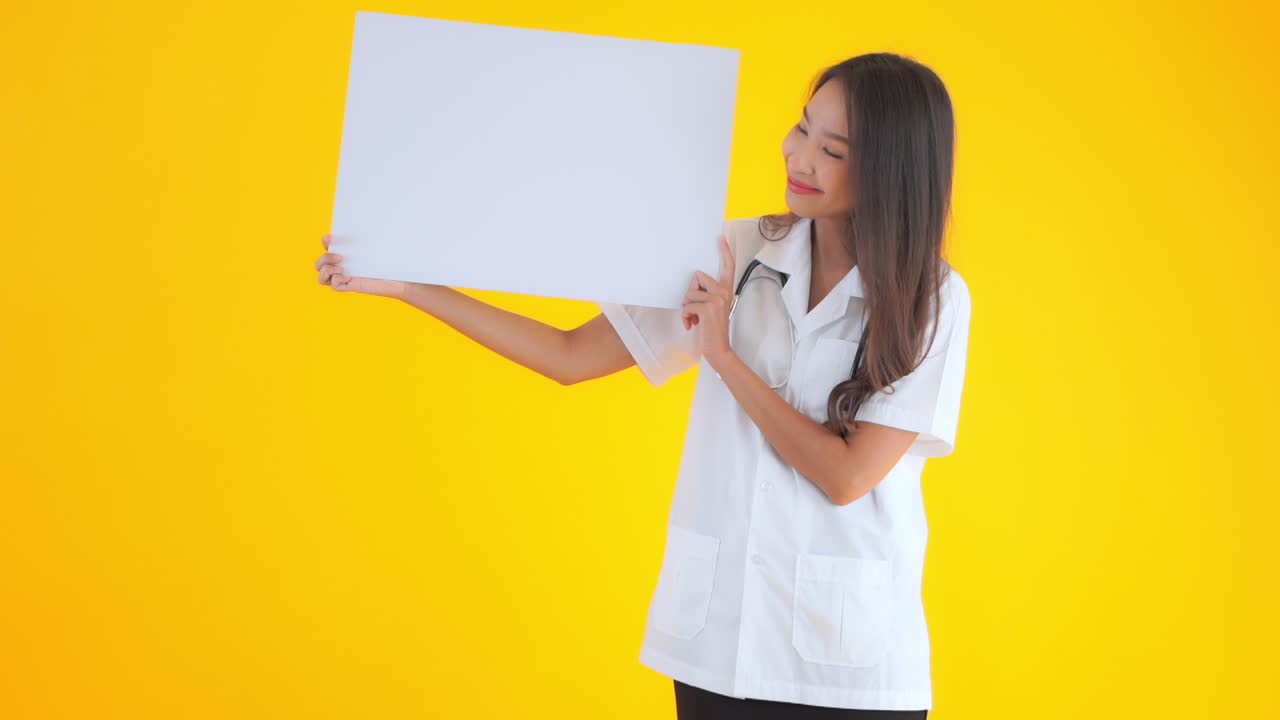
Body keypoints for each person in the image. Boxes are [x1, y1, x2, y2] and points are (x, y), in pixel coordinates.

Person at [314, 51, 970, 719]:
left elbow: (847, 477)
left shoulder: (933, 299)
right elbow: (569, 355)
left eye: (830, 149)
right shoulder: (733, 253)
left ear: (888, 169)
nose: (796, 158)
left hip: (847, 665)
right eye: (801, 129)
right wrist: (406, 285)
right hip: (716, 644)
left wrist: (723, 355)